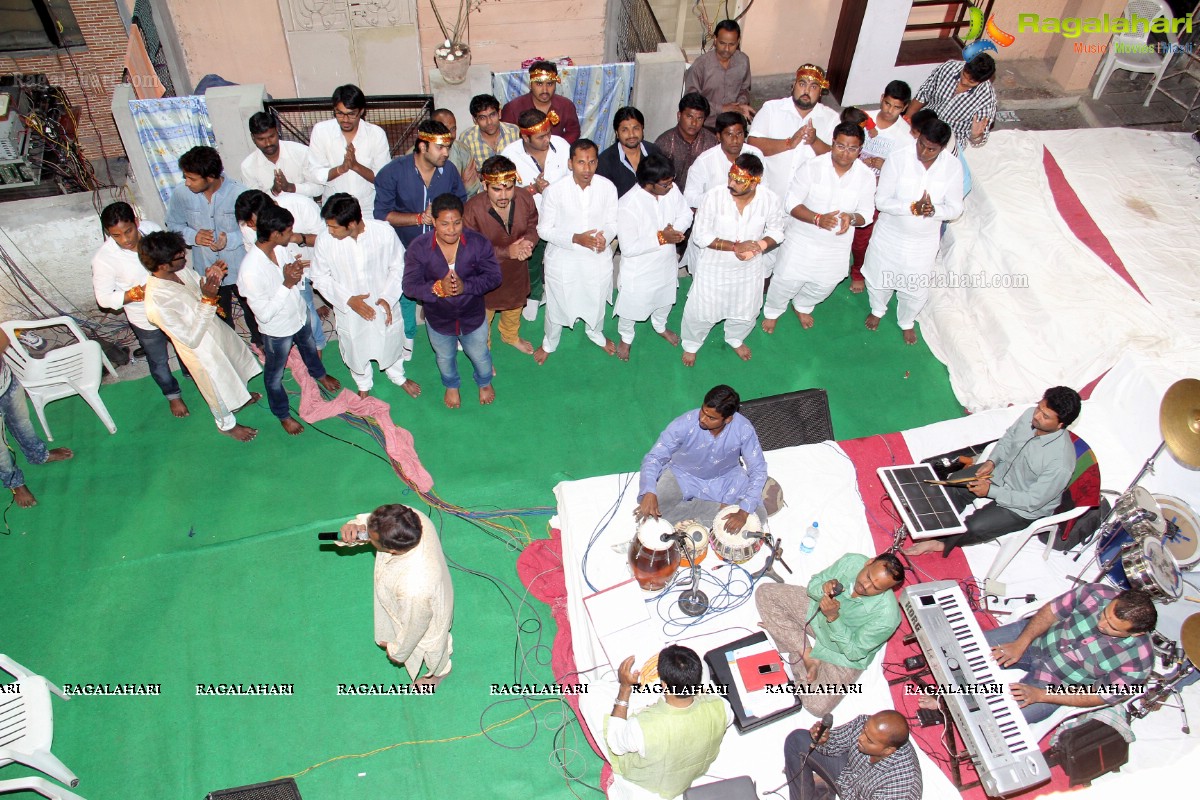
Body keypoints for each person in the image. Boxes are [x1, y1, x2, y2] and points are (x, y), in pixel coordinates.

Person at [904, 387, 1080, 557]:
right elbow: (1008, 438)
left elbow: (1033, 501)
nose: (1037, 415)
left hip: (1022, 504)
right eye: (1039, 407)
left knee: (975, 526)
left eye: (1045, 416)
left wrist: (991, 491)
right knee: (954, 484)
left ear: (1060, 425)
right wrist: (992, 461)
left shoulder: (1060, 463)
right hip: (999, 474)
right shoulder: (1030, 415)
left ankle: (941, 543)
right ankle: (937, 526)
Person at [139, 231, 261, 441]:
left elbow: (199, 288)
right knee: (216, 387)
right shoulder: (156, 302)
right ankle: (226, 425)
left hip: (215, 330)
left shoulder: (180, 272)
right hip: (202, 352)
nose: (184, 258)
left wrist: (211, 278)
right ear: (163, 265)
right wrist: (208, 300)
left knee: (233, 368)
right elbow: (190, 339)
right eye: (179, 257)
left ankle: (240, 398)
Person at [756, 553, 904, 716]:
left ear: (888, 590)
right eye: (867, 576)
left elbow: (854, 652)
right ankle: (806, 654)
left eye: (876, 588)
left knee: (816, 706)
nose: (865, 586)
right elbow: (813, 586)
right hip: (818, 616)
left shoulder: (888, 618)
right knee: (765, 592)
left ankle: (789, 641)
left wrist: (834, 618)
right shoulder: (852, 561)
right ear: (869, 563)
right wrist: (823, 588)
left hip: (841, 652)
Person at [236, 204, 341, 434]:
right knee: (274, 375)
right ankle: (282, 414)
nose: (291, 235)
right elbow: (263, 313)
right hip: (278, 331)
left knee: (310, 349)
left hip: (298, 317)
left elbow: (293, 277)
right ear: (275, 234)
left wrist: (295, 277)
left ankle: (319, 374)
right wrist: (287, 284)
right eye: (288, 231)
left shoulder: (280, 249)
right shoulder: (250, 270)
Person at [762, 122, 875, 333]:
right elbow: (791, 203)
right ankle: (773, 311)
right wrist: (817, 218)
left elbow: (866, 215)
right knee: (786, 280)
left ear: (860, 151)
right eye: (841, 146)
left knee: (825, 285)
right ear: (833, 143)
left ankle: (803, 305)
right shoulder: (812, 167)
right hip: (802, 239)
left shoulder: (866, 176)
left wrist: (851, 218)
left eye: (852, 148)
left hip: (836, 245)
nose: (845, 153)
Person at [982, 585, 1156, 723]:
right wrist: (1021, 642)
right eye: (1105, 614)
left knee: (999, 719)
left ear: (1136, 633)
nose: (1101, 624)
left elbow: (1099, 695)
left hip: (1055, 686)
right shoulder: (1096, 593)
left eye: (1113, 628)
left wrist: (1040, 695)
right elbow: (1051, 611)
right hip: (1037, 638)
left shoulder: (1140, 662)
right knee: (960, 649)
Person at [861, 120, 963, 345]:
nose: (924, 152)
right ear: (918, 138)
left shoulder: (952, 167)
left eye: (931, 149)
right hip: (890, 234)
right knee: (879, 276)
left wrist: (934, 210)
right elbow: (881, 201)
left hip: (923, 241)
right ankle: (878, 309)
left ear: (942, 148)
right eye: (921, 145)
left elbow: (956, 208)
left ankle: (907, 321)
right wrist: (910, 207)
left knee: (915, 286)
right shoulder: (898, 158)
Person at [311, 193, 421, 399]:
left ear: (351, 223)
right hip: (348, 308)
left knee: (389, 339)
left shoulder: (383, 232)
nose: (329, 231)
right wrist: (348, 300)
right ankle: (363, 382)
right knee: (355, 343)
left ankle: (397, 375)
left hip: (383, 302)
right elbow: (318, 276)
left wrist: (388, 298)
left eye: (334, 226)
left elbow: (399, 267)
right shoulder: (325, 241)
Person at [679, 153, 784, 365]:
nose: (731, 183)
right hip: (714, 267)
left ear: (755, 182)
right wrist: (735, 246)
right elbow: (700, 237)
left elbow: (777, 231)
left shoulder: (769, 199)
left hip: (749, 268)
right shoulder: (714, 197)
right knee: (701, 310)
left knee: (746, 309)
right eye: (730, 176)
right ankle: (691, 343)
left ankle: (735, 338)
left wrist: (758, 246)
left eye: (739, 180)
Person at [374, 119, 468, 351]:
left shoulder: (449, 171)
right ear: (423, 146)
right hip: (404, 246)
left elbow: (461, 202)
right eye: (440, 147)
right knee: (405, 292)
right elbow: (381, 214)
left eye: (448, 147)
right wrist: (419, 218)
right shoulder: (393, 172)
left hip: (441, 245)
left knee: (446, 288)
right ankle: (407, 337)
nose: (446, 153)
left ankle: (450, 332)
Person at [335, 504, 454, 687]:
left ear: (391, 549)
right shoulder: (411, 517)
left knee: (433, 646)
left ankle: (438, 674)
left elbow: (416, 626)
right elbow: (373, 523)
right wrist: (355, 526)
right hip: (423, 590)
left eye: (370, 537)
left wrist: (398, 651)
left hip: (426, 607)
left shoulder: (415, 587)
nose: (365, 534)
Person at [402, 193, 501, 408]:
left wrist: (467, 287)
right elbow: (409, 286)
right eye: (445, 223)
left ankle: (484, 382)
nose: (451, 229)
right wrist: (437, 288)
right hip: (439, 319)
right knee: (444, 357)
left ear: (463, 220)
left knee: (480, 354)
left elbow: (494, 277)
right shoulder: (419, 247)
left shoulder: (477, 243)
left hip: (473, 316)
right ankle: (452, 385)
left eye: (456, 223)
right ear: (434, 222)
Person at [92, 201, 187, 418]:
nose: (125, 240)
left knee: (185, 345)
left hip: (173, 306)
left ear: (136, 221)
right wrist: (134, 294)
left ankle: (191, 374)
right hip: (144, 317)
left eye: (128, 231)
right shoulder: (103, 259)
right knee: (158, 359)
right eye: (116, 235)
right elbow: (104, 299)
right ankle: (173, 395)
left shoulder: (152, 229)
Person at [605, 645, 731, 800]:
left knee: (592, 695)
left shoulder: (642, 727)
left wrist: (625, 688)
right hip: (691, 775)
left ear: (663, 684)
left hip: (650, 786)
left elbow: (616, 745)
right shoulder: (722, 707)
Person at [636, 384, 768, 533]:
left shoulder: (743, 428)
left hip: (726, 479)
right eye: (703, 411)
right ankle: (709, 509)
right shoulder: (684, 424)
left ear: (728, 419)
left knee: (758, 517)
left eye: (711, 417)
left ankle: (698, 511)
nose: (703, 419)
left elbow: (758, 469)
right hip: (683, 475)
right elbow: (654, 457)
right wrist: (649, 491)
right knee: (651, 512)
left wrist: (744, 512)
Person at [534, 138, 618, 364]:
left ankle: (595, 332)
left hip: (596, 257)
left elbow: (612, 222)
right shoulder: (555, 191)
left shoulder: (607, 187)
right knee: (558, 301)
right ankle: (550, 341)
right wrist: (575, 239)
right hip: (564, 258)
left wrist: (605, 238)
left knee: (597, 297)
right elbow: (543, 230)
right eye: (581, 162)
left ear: (597, 163)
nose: (587, 168)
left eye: (591, 162)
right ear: (570, 163)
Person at [165, 145, 260, 346]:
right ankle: (232, 349)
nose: (187, 183)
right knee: (219, 316)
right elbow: (173, 224)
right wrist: (193, 236)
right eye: (186, 177)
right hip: (207, 270)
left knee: (253, 310)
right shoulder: (182, 194)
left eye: (192, 178)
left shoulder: (239, 193)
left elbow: (255, 228)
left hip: (239, 268)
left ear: (210, 177)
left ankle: (260, 345)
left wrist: (231, 239)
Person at [613, 154, 691, 361]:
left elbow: (686, 214)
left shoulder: (670, 190)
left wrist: (675, 231)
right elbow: (628, 248)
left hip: (666, 263)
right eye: (665, 184)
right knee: (632, 306)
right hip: (640, 270)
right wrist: (661, 237)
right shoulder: (628, 205)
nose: (671, 186)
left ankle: (660, 325)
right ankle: (626, 337)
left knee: (664, 299)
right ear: (649, 184)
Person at [234, 189, 328, 356]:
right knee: (299, 314)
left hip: (310, 269)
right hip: (283, 279)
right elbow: (254, 253)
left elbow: (330, 238)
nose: (252, 227)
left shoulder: (300, 204)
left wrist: (297, 238)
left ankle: (317, 350)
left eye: (254, 223)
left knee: (308, 315)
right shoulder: (249, 230)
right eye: (248, 224)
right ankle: (309, 353)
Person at [463, 155, 539, 355]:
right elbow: (470, 249)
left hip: (516, 272)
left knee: (514, 308)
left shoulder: (524, 198)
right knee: (482, 317)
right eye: (497, 189)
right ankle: (483, 348)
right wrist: (508, 251)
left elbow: (533, 225)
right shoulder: (472, 209)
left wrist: (528, 242)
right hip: (484, 276)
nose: (504, 195)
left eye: (509, 187)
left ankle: (510, 336)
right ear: (484, 184)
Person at [501, 108, 571, 321]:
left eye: (549, 132)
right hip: (528, 219)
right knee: (530, 259)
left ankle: (559, 293)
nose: (548, 139)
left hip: (562, 217)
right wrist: (532, 190)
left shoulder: (562, 145)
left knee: (561, 258)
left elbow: (572, 179)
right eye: (541, 136)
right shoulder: (509, 155)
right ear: (525, 137)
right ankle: (533, 296)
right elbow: (503, 190)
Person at [849, 81, 912, 293]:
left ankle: (857, 271)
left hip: (876, 193)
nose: (889, 110)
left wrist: (885, 167)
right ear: (881, 97)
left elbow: (905, 171)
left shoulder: (905, 135)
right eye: (887, 104)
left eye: (896, 107)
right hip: (849, 182)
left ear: (904, 107)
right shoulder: (863, 118)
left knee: (862, 238)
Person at [0, 329, 73, 509]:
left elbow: (3, 339)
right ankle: (15, 482)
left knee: (23, 423)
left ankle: (39, 455)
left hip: (7, 383)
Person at [747, 64, 840, 198]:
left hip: (806, 202)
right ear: (793, 86)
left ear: (821, 92)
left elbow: (838, 158)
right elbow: (752, 145)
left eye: (813, 86)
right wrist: (788, 143)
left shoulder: (831, 118)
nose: (806, 91)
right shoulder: (771, 109)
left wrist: (815, 142)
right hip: (768, 195)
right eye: (802, 84)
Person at [783, 711, 921, 800]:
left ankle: (823, 787)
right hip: (846, 776)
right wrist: (824, 740)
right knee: (797, 740)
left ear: (888, 751)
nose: (861, 738)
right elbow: (836, 743)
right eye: (864, 731)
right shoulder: (866, 724)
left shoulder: (901, 789)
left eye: (869, 741)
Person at [305, 84, 391, 212]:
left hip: (368, 208)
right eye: (340, 113)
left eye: (351, 114)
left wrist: (356, 166)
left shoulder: (376, 134)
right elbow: (314, 173)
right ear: (334, 109)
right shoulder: (321, 131)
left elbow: (384, 178)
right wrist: (341, 169)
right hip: (334, 209)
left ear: (361, 111)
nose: (345, 120)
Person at [909, 53, 997, 157]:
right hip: (926, 124)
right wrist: (907, 119)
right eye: (964, 74)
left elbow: (979, 141)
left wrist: (976, 135)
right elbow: (923, 94)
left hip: (950, 139)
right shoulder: (949, 68)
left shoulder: (986, 97)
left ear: (982, 81)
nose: (964, 82)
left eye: (971, 81)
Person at [682, 112, 762, 210]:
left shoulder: (755, 154)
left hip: (749, 214)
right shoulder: (704, 161)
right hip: (715, 218)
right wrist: (719, 200)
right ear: (719, 136)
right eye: (729, 134)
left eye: (739, 134)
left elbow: (764, 188)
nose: (735, 140)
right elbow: (689, 198)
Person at [684, 19, 755, 129]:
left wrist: (741, 105)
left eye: (732, 44)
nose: (726, 49)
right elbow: (691, 101)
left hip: (733, 122)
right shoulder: (701, 66)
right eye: (722, 43)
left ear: (738, 41)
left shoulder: (743, 61)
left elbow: (744, 89)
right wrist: (722, 108)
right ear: (715, 39)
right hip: (707, 125)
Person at [239, 111, 322, 199]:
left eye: (271, 136)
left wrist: (291, 187)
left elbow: (319, 189)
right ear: (253, 138)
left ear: (277, 131)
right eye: (261, 139)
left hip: (304, 211)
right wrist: (274, 191)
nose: (268, 143)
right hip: (272, 212)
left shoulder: (301, 152)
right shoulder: (248, 167)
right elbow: (255, 203)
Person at [500, 60, 581, 143]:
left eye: (549, 84)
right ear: (530, 85)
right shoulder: (512, 108)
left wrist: (557, 147)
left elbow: (574, 132)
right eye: (539, 84)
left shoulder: (566, 105)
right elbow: (506, 139)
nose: (545, 90)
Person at [653, 92, 718, 192]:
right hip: (670, 198)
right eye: (689, 116)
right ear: (679, 115)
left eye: (699, 118)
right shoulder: (664, 143)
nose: (694, 123)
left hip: (701, 199)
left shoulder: (711, 142)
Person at [457, 94, 521, 192]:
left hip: (512, 189)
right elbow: (465, 174)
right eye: (482, 118)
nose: (489, 122)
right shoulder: (467, 139)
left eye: (492, 115)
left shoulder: (514, 132)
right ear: (475, 120)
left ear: (499, 113)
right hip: (482, 193)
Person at [596, 106, 663, 198]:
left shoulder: (654, 152)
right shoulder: (605, 161)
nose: (631, 135)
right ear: (617, 133)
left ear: (642, 129)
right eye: (625, 130)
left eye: (636, 128)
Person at [432, 107, 480, 196]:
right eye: (444, 129)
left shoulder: (464, 152)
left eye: (453, 129)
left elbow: (470, 192)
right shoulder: (417, 154)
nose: (450, 135)